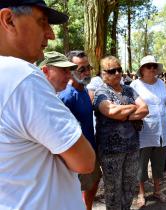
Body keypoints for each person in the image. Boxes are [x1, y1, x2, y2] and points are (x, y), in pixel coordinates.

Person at [0, 1, 95, 210]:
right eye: (42, 22)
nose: (51, 34)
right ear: (8, 20)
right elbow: (85, 161)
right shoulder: (21, 76)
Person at [94, 56, 148, 210]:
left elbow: (145, 109)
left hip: (132, 148)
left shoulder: (129, 89)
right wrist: (131, 107)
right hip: (110, 151)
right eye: (112, 71)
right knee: (113, 190)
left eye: (119, 69)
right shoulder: (101, 92)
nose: (117, 73)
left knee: (130, 186)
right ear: (103, 73)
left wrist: (124, 115)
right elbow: (111, 111)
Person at [57, 50, 102, 210]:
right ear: (70, 72)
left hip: (91, 148)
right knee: (78, 189)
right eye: (81, 69)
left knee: (94, 182)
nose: (87, 72)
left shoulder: (84, 91)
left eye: (88, 67)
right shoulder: (67, 96)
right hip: (77, 153)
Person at [130, 55, 166, 207]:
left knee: (158, 162)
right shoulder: (135, 85)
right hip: (144, 131)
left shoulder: (161, 83)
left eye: (154, 66)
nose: (153, 69)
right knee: (141, 164)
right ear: (142, 69)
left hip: (163, 129)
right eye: (149, 66)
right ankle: (141, 193)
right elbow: (132, 108)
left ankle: (157, 190)